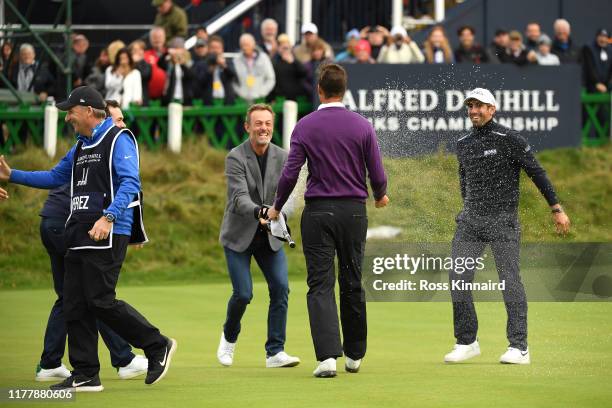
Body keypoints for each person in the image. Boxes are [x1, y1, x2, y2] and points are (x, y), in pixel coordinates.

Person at [0, 86, 177, 391]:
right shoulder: (80, 145)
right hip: (79, 231)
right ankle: (85, 373)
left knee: (100, 300)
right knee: (74, 303)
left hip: (108, 231)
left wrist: (109, 217)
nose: (68, 117)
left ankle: (157, 344)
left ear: (90, 111)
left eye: (71, 111)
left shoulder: (119, 138)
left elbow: (130, 182)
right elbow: (56, 177)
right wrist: (12, 174)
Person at [267, 64, 389, 378]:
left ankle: (327, 359)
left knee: (320, 284)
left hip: (319, 213)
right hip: (353, 211)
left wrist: (277, 207)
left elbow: (291, 174)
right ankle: (355, 354)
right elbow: (376, 170)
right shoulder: (361, 125)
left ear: (319, 90)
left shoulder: (305, 126)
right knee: (352, 281)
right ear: (343, 90)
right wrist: (380, 194)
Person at [444, 88, 570, 365]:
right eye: (470, 106)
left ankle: (519, 346)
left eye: (479, 106)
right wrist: (467, 210)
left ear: (492, 109)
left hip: (503, 221)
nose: (474, 111)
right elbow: (464, 182)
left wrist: (556, 208)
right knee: (458, 278)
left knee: (509, 281)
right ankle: (466, 341)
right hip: (470, 222)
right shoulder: (463, 143)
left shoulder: (510, 139)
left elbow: (537, 173)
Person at [33, 100, 147, 383]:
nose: (121, 126)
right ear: (99, 116)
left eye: (121, 120)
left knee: (74, 297)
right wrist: (112, 221)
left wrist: (124, 228)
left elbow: (127, 188)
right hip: (68, 226)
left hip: (60, 224)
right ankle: (125, 357)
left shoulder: (104, 144)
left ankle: (53, 363)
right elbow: (122, 187)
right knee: (88, 297)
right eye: (116, 119)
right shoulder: (93, 146)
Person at [217, 103, 301, 369]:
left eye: (267, 123)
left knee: (281, 289)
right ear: (247, 127)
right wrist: (262, 212)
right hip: (239, 235)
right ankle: (228, 339)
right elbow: (239, 197)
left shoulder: (284, 156)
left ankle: (275, 352)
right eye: (258, 123)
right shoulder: (235, 157)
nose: (263, 128)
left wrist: (280, 215)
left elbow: (290, 196)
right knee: (243, 294)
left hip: (270, 237)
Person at [232, 33, 275, 102]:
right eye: (242, 45)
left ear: (253, 44)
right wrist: (240, 93)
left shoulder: (263, 58)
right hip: (242, 100)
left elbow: (271, 78)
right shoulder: (236, 60)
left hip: (260, 99)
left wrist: (262, 93)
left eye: (247, 45)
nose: (244, 47)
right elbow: (233, 80)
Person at [198, 35, 237, 105]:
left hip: (227, 102)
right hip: (209, 103)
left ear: (222, 49)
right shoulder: (202, 64)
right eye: (213, 48)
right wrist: (210, 69)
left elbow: (233, 76)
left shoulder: (228, 62)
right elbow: (200, 83)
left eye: (218, 48)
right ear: (208, 49)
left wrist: (224, 66)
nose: (215, 50)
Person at [270, 35, 308, 101]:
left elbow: (304, 73)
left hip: (295, 97)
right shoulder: (274, 61)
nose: (285, 50)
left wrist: (293, 62)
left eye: (287, 47)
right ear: (278, 48)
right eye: (283, 47)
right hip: (279, 98)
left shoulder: (294, 59)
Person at [582, 28, 612, 93]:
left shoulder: (610, 50)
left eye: (605, 37)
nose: (603, 39)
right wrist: (597, 83)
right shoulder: (588, 48)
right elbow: (590, 68)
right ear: (596, 37)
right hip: (592, 85)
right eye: (600, 36)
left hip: (606, 85)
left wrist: (608, 83)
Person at [144, 27, 168, 102]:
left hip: (166, 97)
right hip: (148, 97)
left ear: (164, 38)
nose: (157, 39)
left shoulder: (170, 54)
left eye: (159, 37)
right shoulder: (145, 55)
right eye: (154, 37)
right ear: (150, 40)